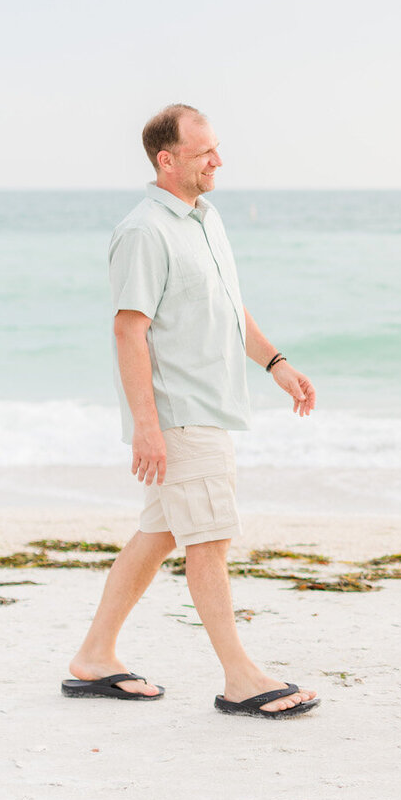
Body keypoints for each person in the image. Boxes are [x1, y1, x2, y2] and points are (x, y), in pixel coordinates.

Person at [63, 103, 322, 719]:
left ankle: (95, 655)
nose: (218, 160)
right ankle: (240, 677)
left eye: (216, 148)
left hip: (210, 405)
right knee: (209, 539)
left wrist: (276, 363)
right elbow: (129, 331)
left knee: (161, 534)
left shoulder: (207, 219)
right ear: (167, 158)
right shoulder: (144, 231)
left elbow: (230, 308)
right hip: (181, 415)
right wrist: (147, 428)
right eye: (205, 152)